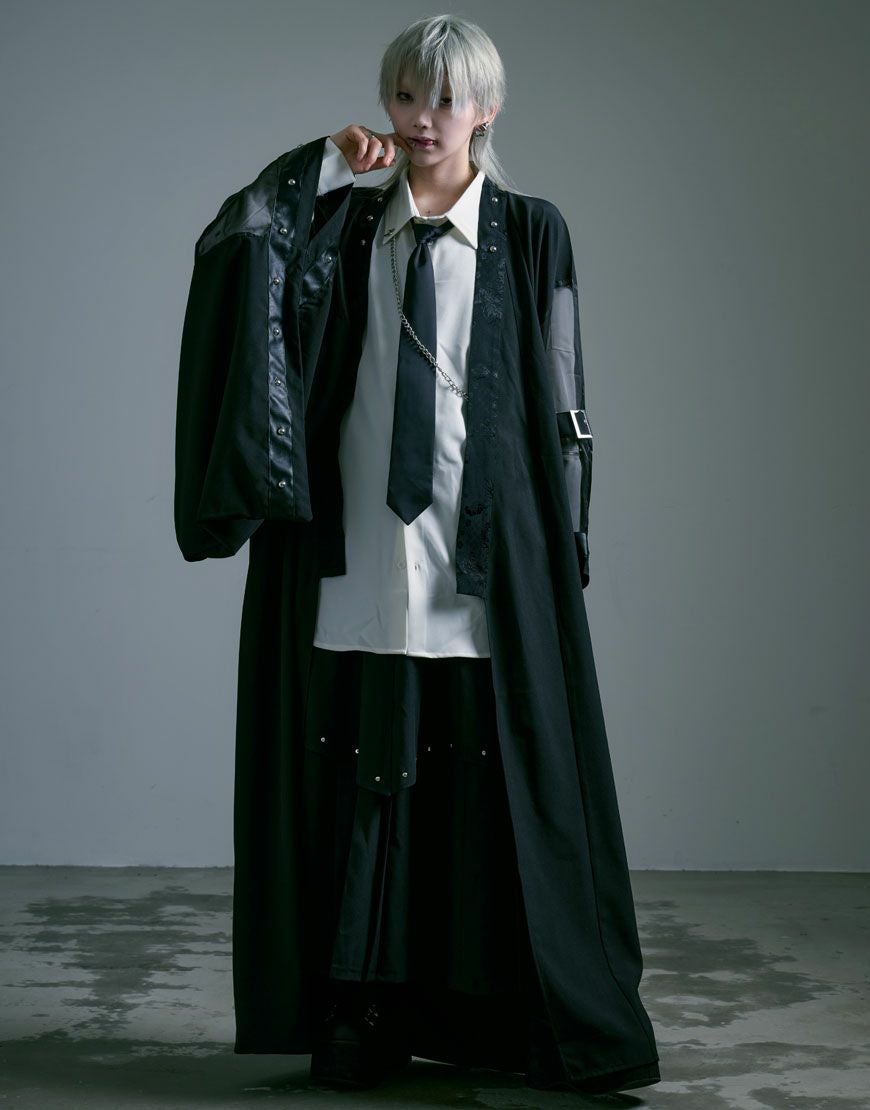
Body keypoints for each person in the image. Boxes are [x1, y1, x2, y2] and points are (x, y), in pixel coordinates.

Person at [174, 12, 661, 1098]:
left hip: (484, 541)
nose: (421, 118)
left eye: (444, 98)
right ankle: (360, 1013)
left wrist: (563, 544)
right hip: (353, 533)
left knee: (487, 779)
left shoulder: (531, 231)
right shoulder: (343, 222)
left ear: (486, 109)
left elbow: (566, 396)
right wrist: (315, 167)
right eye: (405, 95)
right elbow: (233, 246)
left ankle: (510, 1016)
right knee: (361, 768)